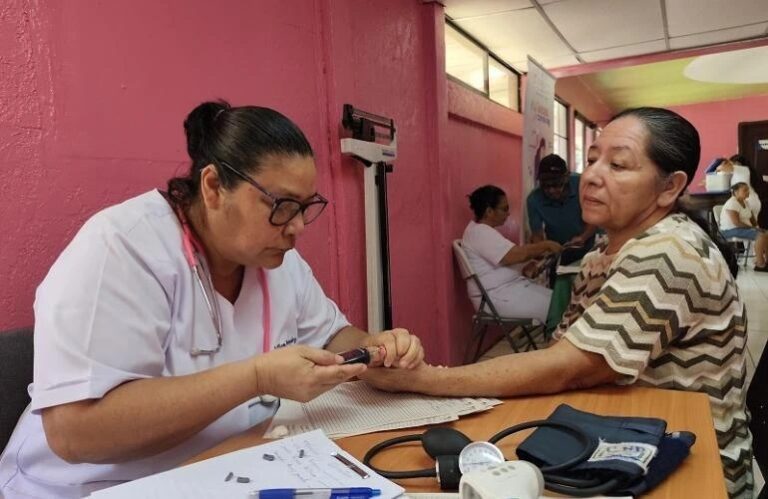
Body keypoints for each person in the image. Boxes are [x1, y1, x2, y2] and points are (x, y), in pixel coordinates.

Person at [0, 101, 424, 498]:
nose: (296, 227)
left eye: (305, 207)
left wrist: (377, 345)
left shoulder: (278, 262)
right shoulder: (121, 248)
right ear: (214, 186)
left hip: (220, 470)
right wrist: (256, 378)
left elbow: (332, 334)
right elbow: (75, 434)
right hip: (90, 487)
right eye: (281, 206)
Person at [369, 108, 752, 498]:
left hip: (690, 464)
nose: (591, 176)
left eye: (617, 164)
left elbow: (570, 366)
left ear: (669, 187)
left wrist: (425, 381)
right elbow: (563, 352)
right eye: (590, 160)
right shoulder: (606, 249)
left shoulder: (668, 252)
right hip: (625, 433)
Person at [462, 185, 561, 324]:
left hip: (508, 290)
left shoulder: (483, 232)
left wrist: (525, 266)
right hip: (496, 297)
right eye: (504, 209)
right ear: (489, 211)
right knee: (559, 308)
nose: (508, 213)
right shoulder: (479, 232)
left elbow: (508, 259)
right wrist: (544, 245)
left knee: (560, 301)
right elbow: (514, 255)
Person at [526, 154, 596, 264]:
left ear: (566, 177)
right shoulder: (534, 199)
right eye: (545, 186)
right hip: (559, 251)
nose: (551, 190)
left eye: (556, 184)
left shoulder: (582, 185)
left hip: (591, 245)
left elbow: (595, 218)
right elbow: (537, 234)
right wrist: (541, 250)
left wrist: (583, 237)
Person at [719, 181, 768, 271]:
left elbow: (752, 219)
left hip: (742, 229)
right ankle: (760, 264)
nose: (748, 192)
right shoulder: (732, 203)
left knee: (766, 233)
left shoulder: (746, 202)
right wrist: (754, 229)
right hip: (729, 230)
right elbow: (736, 223)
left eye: (748, 190)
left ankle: (767, 262)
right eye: (745, 190)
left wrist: (758, 227)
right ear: (736, 192)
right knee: (760, 236)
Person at [716, 155, 762, 220]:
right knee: (751, 226)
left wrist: (721, 165)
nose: (730, 165)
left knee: (746, 226)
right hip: (750, 201)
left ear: (738, 163)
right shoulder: (742, 172)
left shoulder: (742, 169)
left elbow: (722, 168)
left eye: (731, 163)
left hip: (747, 202)